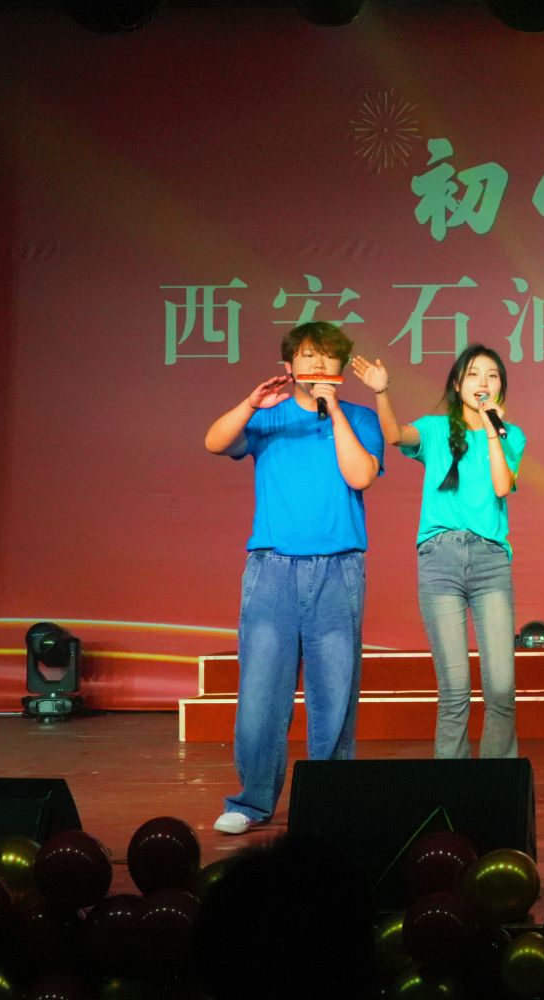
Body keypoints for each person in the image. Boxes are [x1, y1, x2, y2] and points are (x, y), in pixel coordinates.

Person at [202, 322, 383, 836]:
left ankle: (328, 800)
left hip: (338, 568)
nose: (318, 365)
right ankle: (251, 801)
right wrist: (249, 404)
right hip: (272, 568)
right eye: (307, 355)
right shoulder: (269, 415)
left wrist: (334, 412)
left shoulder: (361, 418)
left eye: (328, 357)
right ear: (288, 366)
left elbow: (360, 475)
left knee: (335, 692)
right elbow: (214, 442)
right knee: (261, 691)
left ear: (341, 366)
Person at [352, 346, 526, 759]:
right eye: (474, 374)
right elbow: (395, 436)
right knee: (454, 688)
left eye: (492, 376)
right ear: (456, 384)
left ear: (501, 387)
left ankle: (497, 784)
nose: (483, 382)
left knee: (501, 687)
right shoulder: (434, 429)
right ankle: (453, 787)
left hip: (490, 561)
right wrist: (381, 392)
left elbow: (502, 486)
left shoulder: (510, 435)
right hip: (440, 558)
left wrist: (492, 429)